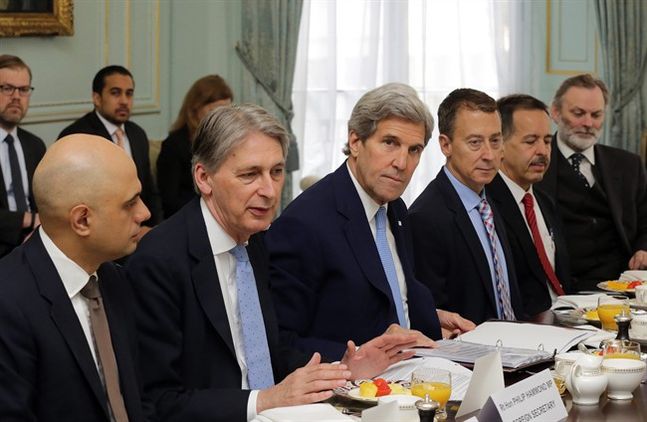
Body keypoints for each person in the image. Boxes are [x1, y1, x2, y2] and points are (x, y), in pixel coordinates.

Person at [126, 103, 417, 422]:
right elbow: (158, 402)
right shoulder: (160, 260)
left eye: (276, 172)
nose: (268, 191)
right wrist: (265, 400)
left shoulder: (256, 238)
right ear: (204, 178)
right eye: (250, 174)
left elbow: (267, 349)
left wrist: (343, 369)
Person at [265, 83, 474, 361]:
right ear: (355, 142)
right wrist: (360, 356)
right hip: (351, 390)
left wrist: (433, 319)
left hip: (414, 371)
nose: (402, 162)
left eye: (414, 150)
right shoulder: (304, 223)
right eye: (390, 143)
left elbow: (381, 300)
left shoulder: (395, 208)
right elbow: (281, 342)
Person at [0, 134, 151, 421]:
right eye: (130, 203)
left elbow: (139, 397)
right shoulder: (8, 305)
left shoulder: (115, 278)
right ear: (82, 220)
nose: (145, 213)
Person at [409, 88, 525, 325]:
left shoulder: (491, 198)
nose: (489, 155)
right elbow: (433, 315)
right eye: (475, 143)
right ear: (446, 145)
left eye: (495, 141)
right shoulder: (425, 217)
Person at [537, 74, 647, 290]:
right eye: (578, 113)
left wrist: (644, 248)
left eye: (596, 115)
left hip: (624, 286)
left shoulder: (628, 164)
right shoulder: (537, 166)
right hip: (562, 288)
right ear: (556, 112)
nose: (588, 123)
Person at [487, 94, 572, 316]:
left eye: (547, 141)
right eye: (530, 141)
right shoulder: (486, 205)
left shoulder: (543, 201)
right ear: (501, 145)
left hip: (566, 321)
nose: (543, 151)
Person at [58, 65, 158, 226]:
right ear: (97, 98)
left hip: (140, 226)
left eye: (129, 94)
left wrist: (154, 230)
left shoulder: (137, 134)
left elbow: (150, 191)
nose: (124, 101)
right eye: (115, 93)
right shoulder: (77, 136)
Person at [157, 74, 233, 218]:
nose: (222, 118)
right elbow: (170, 201)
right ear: (194, 109)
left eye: (227, 112)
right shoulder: (173, 145)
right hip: (189, 219)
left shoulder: (230, 142)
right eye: (215, 111)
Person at [0, 55, 46, 258]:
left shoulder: (35, 145)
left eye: (24, 89)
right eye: (7, 88)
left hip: (37, 242)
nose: (16, 97)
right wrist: (30, 220)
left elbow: (48, 201)